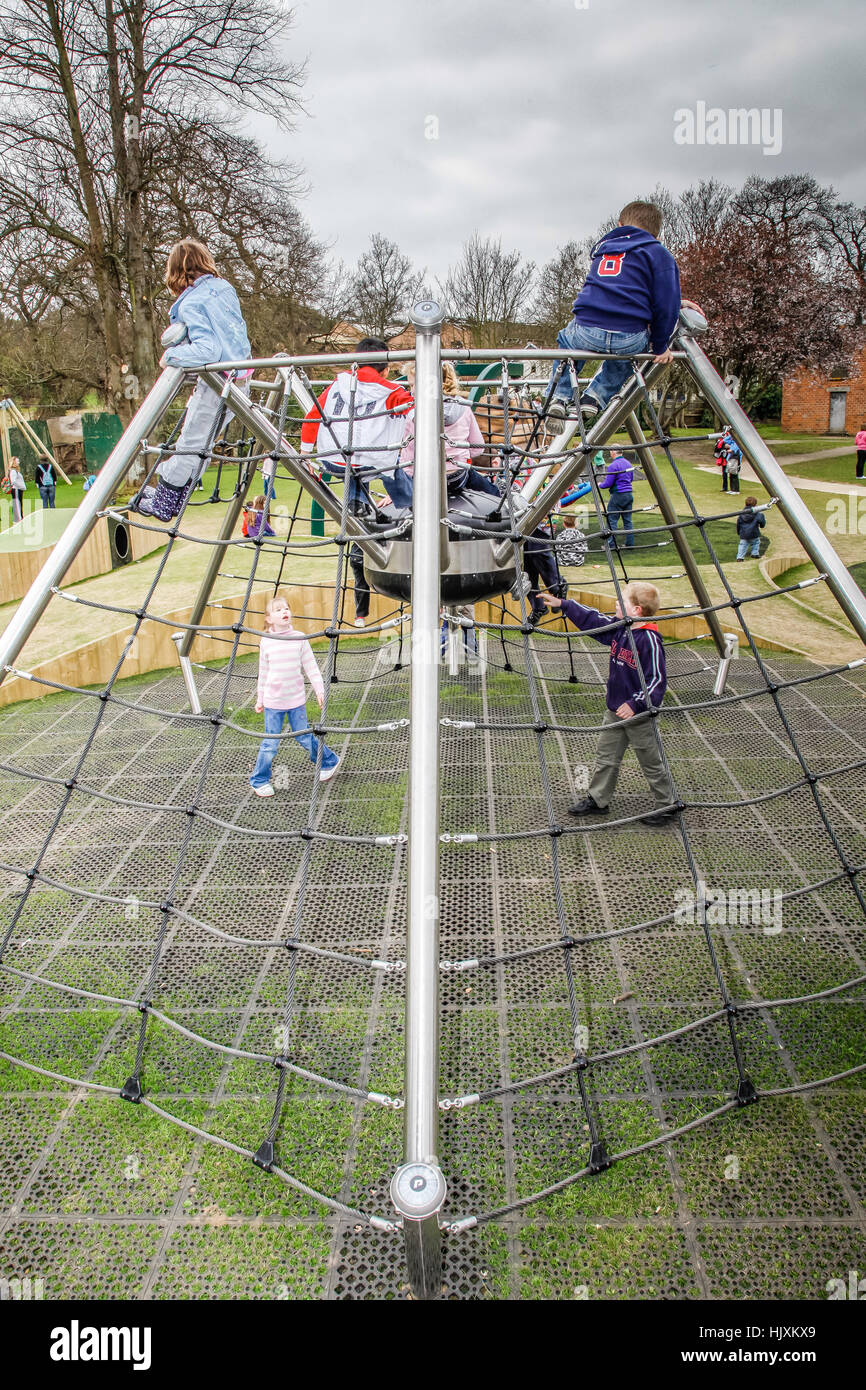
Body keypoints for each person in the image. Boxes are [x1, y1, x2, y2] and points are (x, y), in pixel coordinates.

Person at [133, 239, 251, 522]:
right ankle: (173, 497)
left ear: (175, 272)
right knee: (204, 444)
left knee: (191, 443)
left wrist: (172, 355)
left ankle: (164, 503)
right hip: (241, 378)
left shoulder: (192, 303)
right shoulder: (224, 290)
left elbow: (207, 350)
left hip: (216, 382)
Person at [547, 200, 693, 424]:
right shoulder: (659, 254)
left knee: (567, 342)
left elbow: (615, 290)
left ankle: (559, 397)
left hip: (587, 330)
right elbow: (665, 305)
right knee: (626, 361)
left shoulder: (603, 251)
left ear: (619, 224)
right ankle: (594, 398)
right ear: (657, 235)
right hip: (629, 336)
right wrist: (660, 345)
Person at [542, 580, 676, 825]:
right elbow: (594, 621)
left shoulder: (649, 640)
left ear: (636, 610)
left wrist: (636, 704)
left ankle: (666, 805)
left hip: (638, 714)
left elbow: (656, 680)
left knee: (650, 760)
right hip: (615, 709)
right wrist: (564, 604)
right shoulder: (620, 628)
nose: (616, 602)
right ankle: (598, 799)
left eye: (622, 601)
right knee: (606, 756)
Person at [300, 338, 414, 513]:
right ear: (385, 370)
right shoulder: (391, 391)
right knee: (391, 465)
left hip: (332, 459)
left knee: (353, 458)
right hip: (371, 463)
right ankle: (410, 502)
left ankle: (357, 501)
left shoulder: (337, 385)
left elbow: (313, 416)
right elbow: (414, 408)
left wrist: (305, 454)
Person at [250, 593, 340, 797]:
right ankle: (259, 780)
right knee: (270, 744)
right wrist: (260, 698)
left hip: (296, 700)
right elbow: (263, 672)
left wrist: (320, 690)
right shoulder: (266, 641)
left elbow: (311, 667)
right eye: (278, 609)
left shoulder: (299, 638)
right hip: (273, 702)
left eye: (286, 608)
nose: (284, 612)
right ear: (268, 618)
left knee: (305, 738)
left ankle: (330, 761)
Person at [401, 362, 500, 498]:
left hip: (426, 481)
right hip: (457, 476)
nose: (411, 391)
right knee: (493, 492)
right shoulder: (463, 407)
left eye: (413, 385)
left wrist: (402, 487)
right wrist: (459, 455)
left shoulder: (413, 415)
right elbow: (478, 448)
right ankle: (501, 506)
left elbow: (408, 455)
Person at [597, 448, 635, 549]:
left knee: (612, 519)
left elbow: (608, 483)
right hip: (629, 494)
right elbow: (631, 478)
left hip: (618, 494)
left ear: (613, 452)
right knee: (628, 520)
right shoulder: (628, 463)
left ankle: (611, 544)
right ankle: (630, 544)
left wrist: (600, 485)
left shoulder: (613, 465)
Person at [736, 496, 766, 561]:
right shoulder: (758, 514)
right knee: (756, 542)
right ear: (755, 505)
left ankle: (740, 557)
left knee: (742, 545)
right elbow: (762, 522)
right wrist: (762, 525)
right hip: (754, 533)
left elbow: (738, 524)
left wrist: (738, 532)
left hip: (744, 534)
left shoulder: (741, 514)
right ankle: (754, 554)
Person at [348, 543, 370, 627]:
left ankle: (360, 616)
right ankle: (360, 616)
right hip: (359, 556)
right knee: (361, 585)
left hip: (360, 554)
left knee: (361, 585)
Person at [8, 457, 26, 522]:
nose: (18, 462)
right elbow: (13, 481)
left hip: (19, 489)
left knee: (19, 504)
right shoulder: (13, 471)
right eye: (17, 461)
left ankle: (19, 517)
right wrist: (21, 486)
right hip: (16, 489)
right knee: (17, 504)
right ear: (13, 462)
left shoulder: (16, 471)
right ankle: (17, 519)